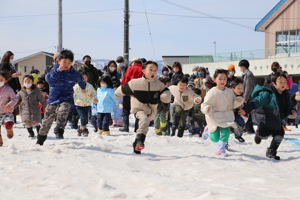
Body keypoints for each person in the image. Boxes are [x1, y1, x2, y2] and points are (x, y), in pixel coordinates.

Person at [115, 61, 171, 154]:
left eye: (155, 70)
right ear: (143, 71)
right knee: (144, 120)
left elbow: (166, 91)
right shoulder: (135, 83)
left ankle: (136, 144)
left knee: (144, 125)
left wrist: (166, 96)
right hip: (139, 108)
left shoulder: (158, 84)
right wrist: (117, 94)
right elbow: (121, 90)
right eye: (151, 69)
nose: (153, 72)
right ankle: (140, 141)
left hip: (152, 111)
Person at [36, 49, 86, 145]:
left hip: (66, 97)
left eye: (69, 62)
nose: (66, 64)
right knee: (48, 118)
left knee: (63, 111)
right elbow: (49, 80)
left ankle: (59, 129)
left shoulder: (73, 73)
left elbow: (80, 80)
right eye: (64, 62)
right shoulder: (55, 70)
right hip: (54, 97)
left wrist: (83, 87)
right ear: (59, 61)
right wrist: (58, 71)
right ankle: (41, 138)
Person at [241, 72, 293, 160]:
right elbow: (257, 101)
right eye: (280, 82)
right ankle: (259, 134)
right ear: (274, 83)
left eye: (284, 82)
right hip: (266, 120)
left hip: (276, 120)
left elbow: (288, 106)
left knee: (280, 134)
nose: (283, 84)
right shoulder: (268, 93)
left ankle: (271, 151)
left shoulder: (286, 94)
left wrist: (292, 111)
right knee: (264, 135)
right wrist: (245, 109)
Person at [201, 69, 244, 156]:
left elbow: (232, 105)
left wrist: (238, 101)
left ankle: (221, 149)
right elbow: (204, 104)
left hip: (226, 116)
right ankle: (208, 130)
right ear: (215, 79)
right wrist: (206, 108)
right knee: (215, 138)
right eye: (220, 79)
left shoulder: (229, 92)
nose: (223, 81)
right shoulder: (212, 92)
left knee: (226, 132)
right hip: (215, 117)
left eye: (224, 79)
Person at [119, 58, 143, 132]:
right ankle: (137, 128)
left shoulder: (130, 69)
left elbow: (125, 80)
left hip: (128, 92)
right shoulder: (143, 70)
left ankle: (126, 127)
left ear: (133, 62)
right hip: (139, 94)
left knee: (126, 110)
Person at [73, 72, 96, 137]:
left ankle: (80, 130)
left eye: (85, 78)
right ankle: (85, 131)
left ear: (87, 78)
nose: (84, 79)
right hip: (79, 104)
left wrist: (95, 98)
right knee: (83, 117)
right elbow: (73, 94)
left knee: (85, 118)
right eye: (82, 78)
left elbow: (94, 93)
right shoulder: (76, 86)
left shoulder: (90, 86)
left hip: (87, 104)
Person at [0, 71, 18, 146]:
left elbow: (15, 99)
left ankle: (9, 130)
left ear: (5, 80)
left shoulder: (8, 89)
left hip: (7, 112)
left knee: (8, 124)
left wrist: (9, 104)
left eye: (1, 80)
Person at [238, 59, 256, 134]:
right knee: (247, 113)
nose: (240, 69)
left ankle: (249, 129)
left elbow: (248, 88)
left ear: (243, 67)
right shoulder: (246, 74)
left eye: (240, 67)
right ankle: (248, 129)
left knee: (246, 112)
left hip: (249, 97)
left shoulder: (249, 74)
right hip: (248, 97)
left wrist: (245, 99)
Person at [230, 78, 246, 143]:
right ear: (233, 88)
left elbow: (241, 106)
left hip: (236, 114)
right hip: (228, 114)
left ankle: (238, 135)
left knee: (242, 122)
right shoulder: (229, 95)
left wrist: (241, 108)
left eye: (241, 88)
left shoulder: (241, 96)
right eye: (238, 88)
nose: (240, 90)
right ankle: (224, 142)